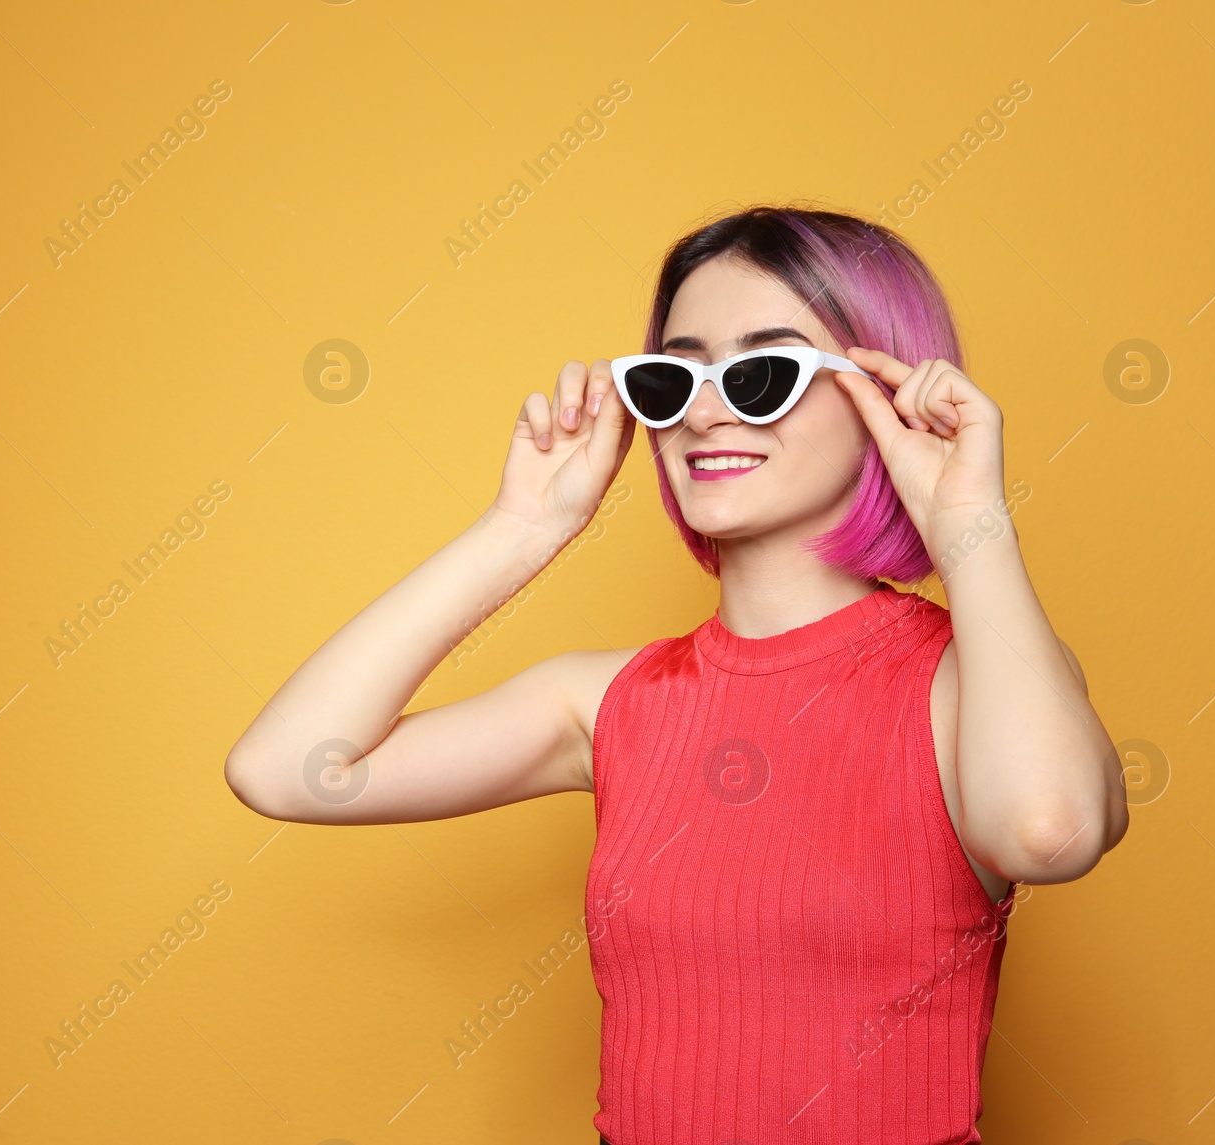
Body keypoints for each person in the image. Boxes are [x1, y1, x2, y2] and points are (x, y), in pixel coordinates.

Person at [224, 205, 1130, 1143]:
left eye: (762, 372)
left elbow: (1050, 834)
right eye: (673, 376)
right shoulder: (609, 702)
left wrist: (968, 520)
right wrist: (520, 531)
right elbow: (288, 767)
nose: (703, 410)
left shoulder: (974, 677)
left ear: (888, 392)